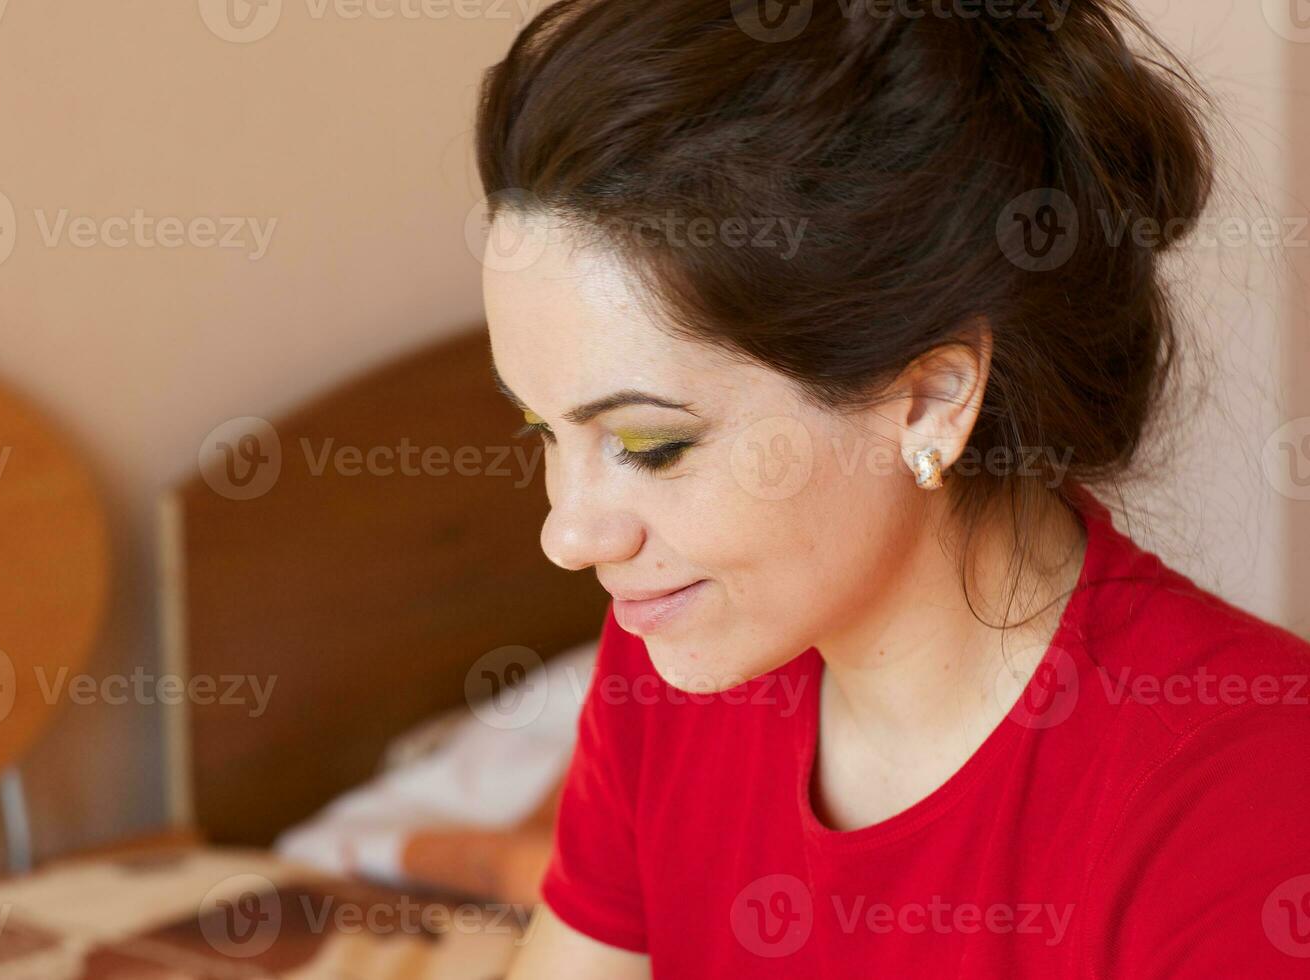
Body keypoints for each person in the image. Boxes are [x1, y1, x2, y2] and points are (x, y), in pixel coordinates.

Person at [472, 0, 1310, 976]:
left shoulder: (1244, 796)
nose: (569, 534)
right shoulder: (673, 655)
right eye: (543, 429)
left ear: (929, 400)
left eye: (653, 444)